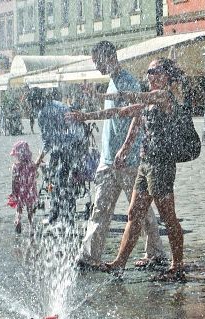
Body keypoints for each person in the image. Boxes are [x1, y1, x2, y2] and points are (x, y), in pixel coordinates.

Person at [67, 41, 165, 270]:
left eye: (97, 61)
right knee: (100, 209)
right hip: (109, 159)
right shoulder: (112, 82)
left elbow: (136, 116)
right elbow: (112, 110)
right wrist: (94, 97)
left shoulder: (128, 81)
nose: (96, 66)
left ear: (107, 57)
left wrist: (125, 148)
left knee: (141, 209)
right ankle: (89, 256)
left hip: (128, 160)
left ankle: (156, 252)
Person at [100, 58, 188, 280]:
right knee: (134, 213)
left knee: (168, 216)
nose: (150, 74)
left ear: (166, 75)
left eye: (154, 70)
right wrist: (124, 149)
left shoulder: (164, 96)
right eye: (148, 71)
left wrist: (108, 96)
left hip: (161, 165)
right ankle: (119, 263)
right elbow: (132, 118)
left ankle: (177, 266)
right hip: (145, 163)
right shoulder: (149, 101)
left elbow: (136, 99)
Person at [29, 88, 86, 226]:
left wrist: (38, 159)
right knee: (67, 182)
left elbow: (48, 141)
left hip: (63, 148)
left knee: (57, 181)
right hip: (76, 145)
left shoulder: (43, 113)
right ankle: (67, 217)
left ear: (35, 102)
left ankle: (59, 217)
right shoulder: (57, 104)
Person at [8, 140, 38, 234]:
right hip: (30, 190)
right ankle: (31, 227)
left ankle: (18, 220)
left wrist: (13, 192)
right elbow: (36, 176)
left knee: (19, 208)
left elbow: (14, 180)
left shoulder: (15, 167)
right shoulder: (31, 165)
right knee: (30, 210)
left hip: (20, 191)